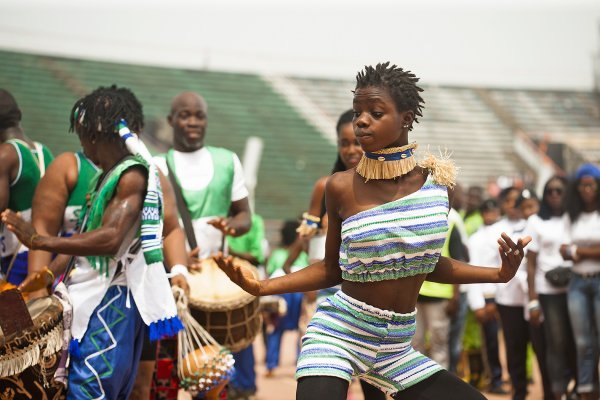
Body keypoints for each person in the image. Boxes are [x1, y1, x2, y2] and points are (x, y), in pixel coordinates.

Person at [214, 62, 529, 400]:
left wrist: (498, 275)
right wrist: (262, 286)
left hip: (395, 348)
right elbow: (331, 268)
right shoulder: (339, 187)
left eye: (375, 112)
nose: (361, 120)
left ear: (406, 118)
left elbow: (427, 263)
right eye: (357, 112)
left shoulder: (437, 188)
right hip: (338, 334)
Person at [2, 86, 182, 399]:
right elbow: (85, 235)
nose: (82, 145)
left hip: (113, 304)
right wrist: (47, 276)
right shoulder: (109, 176)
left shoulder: (133, 175)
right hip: (105, 299)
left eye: (83, 135)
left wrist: (39, 239)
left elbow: (111, 238)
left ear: (96, 134)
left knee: (90, 390)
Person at [154, 91, 252, 259]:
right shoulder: (156, 165)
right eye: (184, 116)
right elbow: (147, 226)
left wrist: (231, 225)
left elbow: (244, 216)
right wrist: (177, 260)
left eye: (200, 116)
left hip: (216, 273)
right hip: (171, 275)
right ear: (171, 120)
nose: (193, 122)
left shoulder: (227, 161)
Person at [526, 176, 577, 400]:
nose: (555, 195)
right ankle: (558, 392)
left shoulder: (575, 218)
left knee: (580, 342)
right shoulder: (536, 221)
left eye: (560, 191)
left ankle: (579, 389)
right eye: (550, 191)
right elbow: (530, 264)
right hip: (548, 292)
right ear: (545, 195)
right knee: (556, 344)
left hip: (576, 289)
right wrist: (533, 300)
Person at [0, 89, 54, 285]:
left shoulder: (6, 154)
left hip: (17, 257)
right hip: (45, 253)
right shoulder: (44, 151)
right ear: (19, 114)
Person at [561, 163, 600, 400]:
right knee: (583, 340)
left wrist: (580, 251)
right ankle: (585, 389)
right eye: (583, 185)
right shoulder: (571, 214)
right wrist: (574, 250)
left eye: (591, 184)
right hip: (577, 282)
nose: (587, 189)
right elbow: (564, 248)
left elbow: (574, 250)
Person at [465, 198, 506, 393]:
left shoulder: (504, 233)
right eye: (487, 212)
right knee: (490, 341)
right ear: (482, 214)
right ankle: (495, 379)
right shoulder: (475, 238)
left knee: (510, 339)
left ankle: (505, 377)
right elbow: (472, 269)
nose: (491, 215)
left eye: (494, 211)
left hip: (505, 294)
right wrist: (478, 304)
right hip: (487, 295)